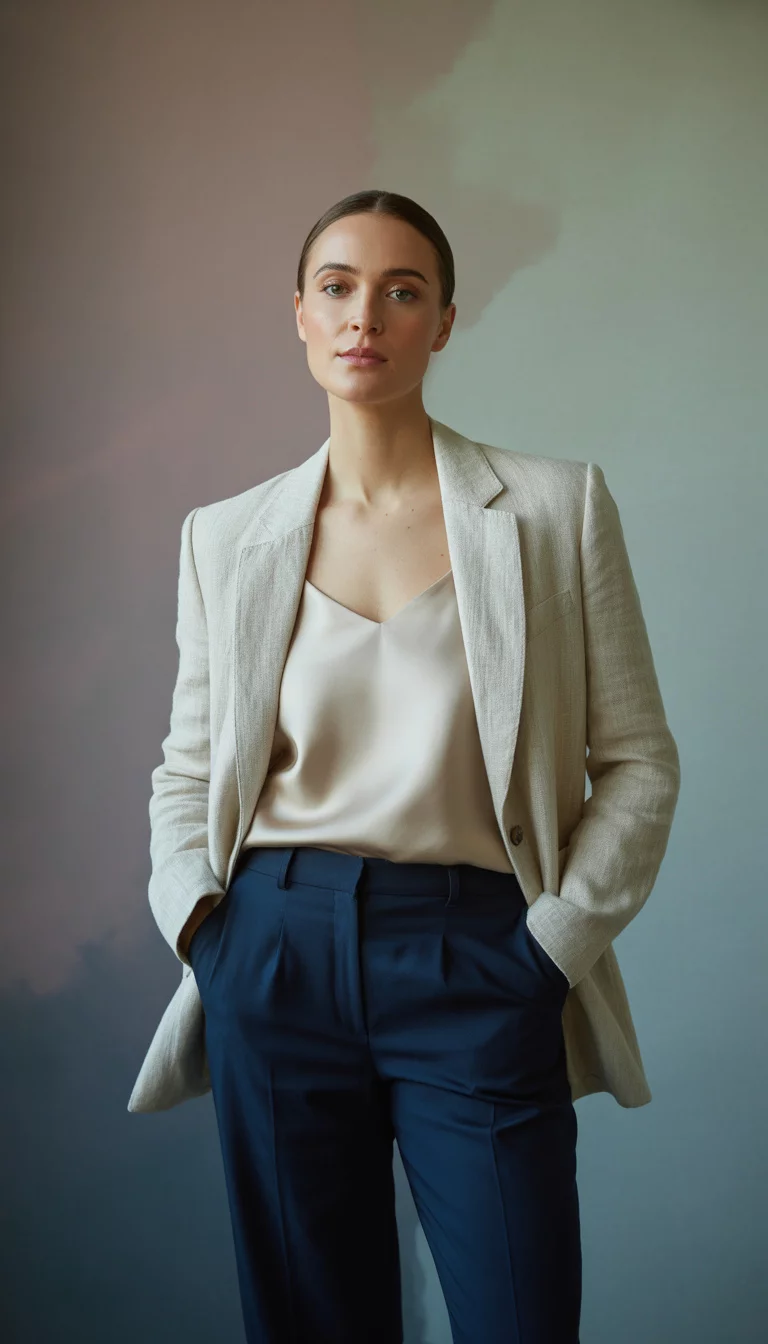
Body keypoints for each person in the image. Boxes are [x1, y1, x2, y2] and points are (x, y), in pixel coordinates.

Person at [128, 189, 681, 1344]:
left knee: (520, 1318)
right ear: (299, 312)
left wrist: (551, 946)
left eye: (402, 290)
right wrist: (203, 930)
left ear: (445, 321)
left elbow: (636, 760)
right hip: (273, 953)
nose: (364, 316)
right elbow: (187, 770)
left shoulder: (554, 509)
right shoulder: (225, 538)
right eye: (337, 287)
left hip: (479, 956)